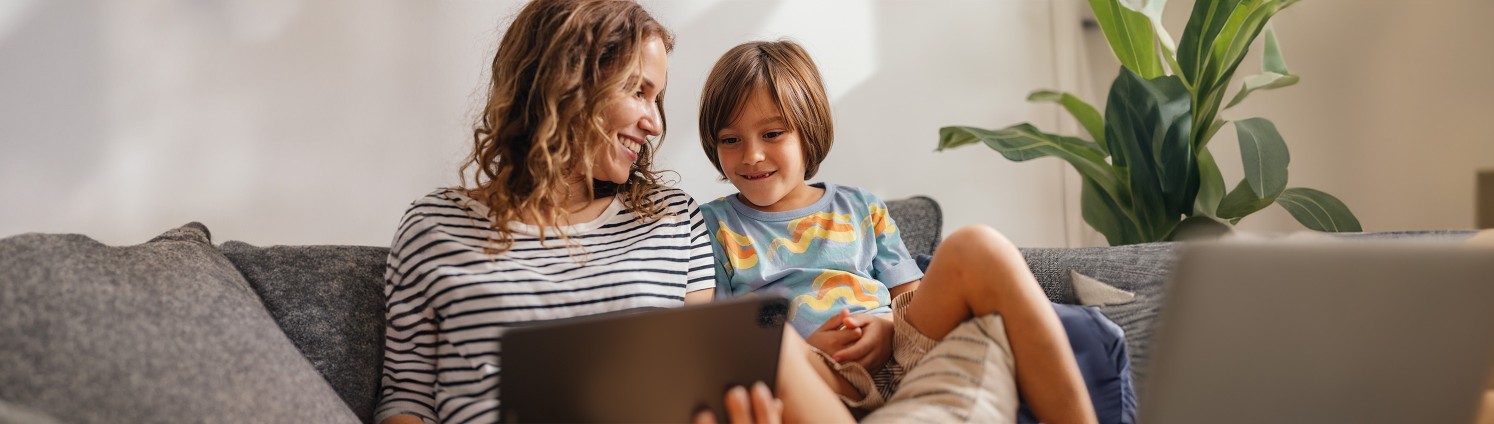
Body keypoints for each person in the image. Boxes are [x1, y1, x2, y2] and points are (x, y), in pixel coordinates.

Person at [376, 2, 851, 423]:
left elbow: (709, 377)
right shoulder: (435, 227)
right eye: (638, 91)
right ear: (564, 82)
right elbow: (406, 400)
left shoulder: (672, 219)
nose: (656, 122)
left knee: (775, 341)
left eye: (657, 97)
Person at [696, 39, 1098, 423]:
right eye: (730, 139)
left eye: (772, 133)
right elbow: (726, 341)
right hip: (812, 377)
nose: (751, 155)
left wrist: (887, 328)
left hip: (902, 354)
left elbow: (909, 298)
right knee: (772, 344)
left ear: (808, 130)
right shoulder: (711, 225)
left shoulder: (860, 206)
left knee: (978, 245)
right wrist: (804, 351)